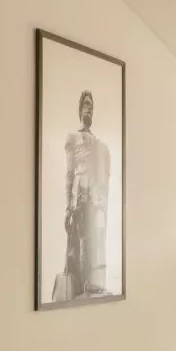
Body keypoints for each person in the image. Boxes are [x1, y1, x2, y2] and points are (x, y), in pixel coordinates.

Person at [57, 89, 111, 300]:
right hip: (79, 198)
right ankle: (81, 290)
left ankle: (91, 286)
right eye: (86, 104)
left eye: (91, 106)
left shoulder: (98, 143)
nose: (89, 109)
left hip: (95, 199)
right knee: (80, 244)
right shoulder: (72, 138)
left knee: (93, 243)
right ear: (80, 109)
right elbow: (69, 174)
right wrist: (67, 207)